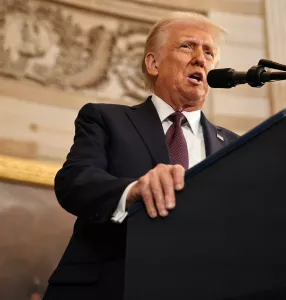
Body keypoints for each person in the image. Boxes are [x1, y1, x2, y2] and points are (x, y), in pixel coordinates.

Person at [43, 11, 239, 300]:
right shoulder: (105, 119)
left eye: (209, 52)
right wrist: (134, 190)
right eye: (187, 46)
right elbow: (74, 181)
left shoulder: (234, 146)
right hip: (110, 288)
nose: (201, 58)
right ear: (153, 63)